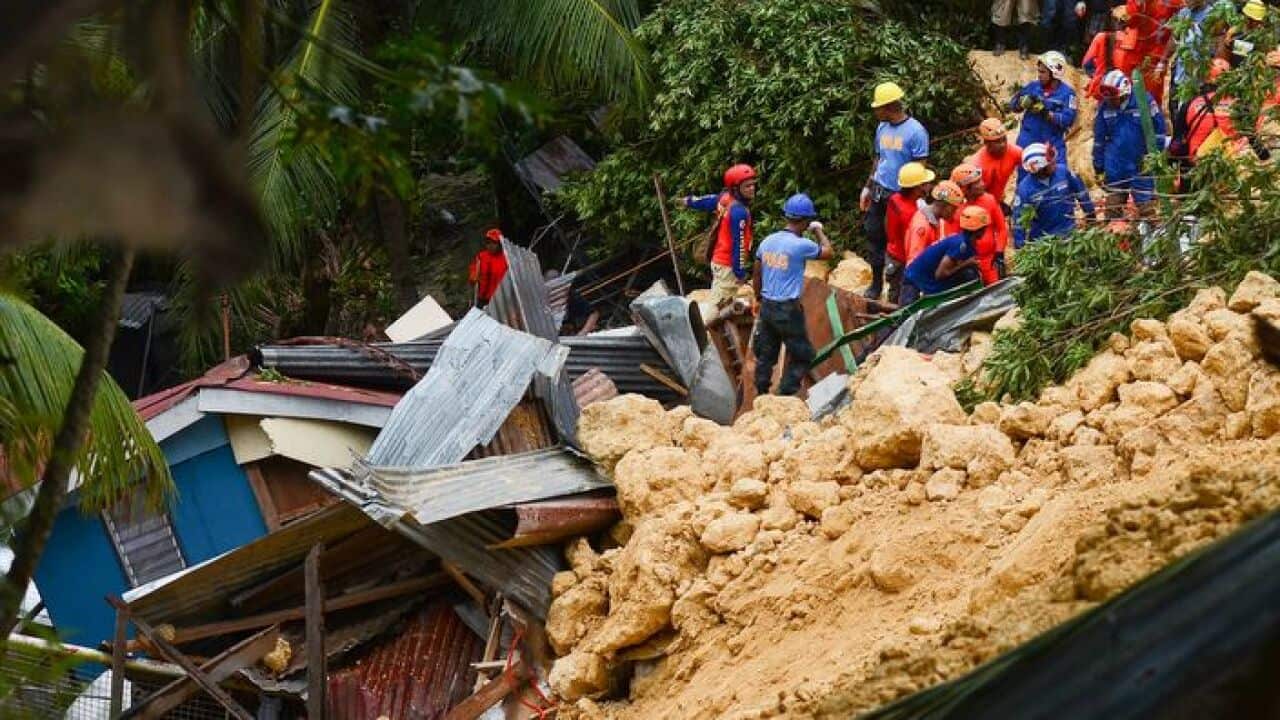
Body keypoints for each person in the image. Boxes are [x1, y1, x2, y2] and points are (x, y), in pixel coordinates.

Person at [751, 193, 834, 397]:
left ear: (787, 216)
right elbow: (829, 252)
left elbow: (757, 271)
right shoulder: (800, 245)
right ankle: (784, 394)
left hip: (767, 306)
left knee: (766, 355)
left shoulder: (768, 241)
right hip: (788, 308)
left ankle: (761, 394)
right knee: (804, 355)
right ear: (806, 221)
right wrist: (818, 231)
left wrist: (758, 297)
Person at [861, 82, 930, 301]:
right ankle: (875, 283)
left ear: (889, 106)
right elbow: (878, 159)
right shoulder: (882, 128)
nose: (875, 112)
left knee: (898, 243)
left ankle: (899, 290)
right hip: (879, 192)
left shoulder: (916, 132)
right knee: (873, 235)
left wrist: (917, 198)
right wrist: (867, 187)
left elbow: (921, 167)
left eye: (878, 107)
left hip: (901, 196)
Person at [1093, 69, 1167, 219]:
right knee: (1113, 210)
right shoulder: (1104, 107)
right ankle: (1113, 239)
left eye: (1114, 98)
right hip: (1115, 167)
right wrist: (1098, 167)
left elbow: (1159, 131)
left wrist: (1154, 157)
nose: (1111, 102)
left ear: (1124, 92)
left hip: (1141, 165)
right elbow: (1099, 140)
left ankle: (1152, 238)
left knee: (1148, 210)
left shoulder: (1144, 101)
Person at [682, 164, 757, 307]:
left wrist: (689, 201)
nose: (752, 189)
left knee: (722, 298)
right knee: (716, 308)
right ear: (736, 188)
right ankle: (700, 325)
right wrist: (740, 273)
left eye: (753, 185)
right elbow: (739, 245)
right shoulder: (739, 212)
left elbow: (706, 201)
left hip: (719, 260)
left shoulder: (725, 198)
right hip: (727, 265)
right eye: (747, 186)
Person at [1012, 143, 1097, 247]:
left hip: (1069, 233)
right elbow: (1019, 220)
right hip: (1043, 243)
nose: (1054, 163)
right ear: (1039, 169)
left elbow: (1081, 191)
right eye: (1050, 163)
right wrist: (1020, 245)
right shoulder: (1024, 190)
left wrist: (1090, 213)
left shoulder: (1063, 172)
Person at [1009, 52, 1079, 176]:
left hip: (1052, 143)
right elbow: (1013, 105)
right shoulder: (1032, 87)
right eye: (1039, 71)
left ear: (1054, 73)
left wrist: (1046, 113)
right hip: (1028, 141)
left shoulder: (1067, 94)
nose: (1039, 75)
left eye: (1043, 72)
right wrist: (1021, 103)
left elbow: (1068, 120)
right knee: (1025, 179)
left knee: (1059, 178)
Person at [903, 206, 991, 303]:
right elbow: (940, 274)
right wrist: (967, 264)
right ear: (980, 230)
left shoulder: (965, 242)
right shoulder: (960, 244)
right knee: (907, 314)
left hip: (923, 279)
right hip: (916, 280)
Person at [901, 180, 966, 304]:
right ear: (945, 206)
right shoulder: (922, 227)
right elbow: (914, 260)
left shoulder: (938, 222)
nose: (955, 213)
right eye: (954, 209)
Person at [941, 163, 1008, 283]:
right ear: (965, 188)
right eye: (977, 183)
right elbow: (953, 242)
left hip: (991, 260)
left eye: (980, 180)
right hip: (969, 263)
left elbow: (1001, 229)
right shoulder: (953, 210)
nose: (982, 184)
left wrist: (999, 252)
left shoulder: (989, 200)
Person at [886, 162, 936, 305]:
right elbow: (914, 244)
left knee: (895, 292)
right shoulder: (911, 214)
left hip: (892, 252)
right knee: (903, 298)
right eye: (926, 183)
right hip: (902, 259)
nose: (929, 185)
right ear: (918, 187)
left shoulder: (895, 199)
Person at [1082, 7, 1142, 100]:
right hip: (1127, 91)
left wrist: (1097, 77)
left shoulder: (1101, 37)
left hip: (1103, 90)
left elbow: (1086, 64)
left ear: (1114, 21)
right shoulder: (1137, 44)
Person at [966, 119, 1023, 206]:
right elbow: (971, 197)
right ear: (986, 143)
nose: (1003, 144)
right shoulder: (978, 166)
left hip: (997, 198)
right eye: (997, 142)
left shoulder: (1014, 152)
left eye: (1004, 139)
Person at [468, 228, 509, 307]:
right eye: (488, 243)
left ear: (500, 243)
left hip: (500, 299)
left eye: (494, 243)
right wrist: (473, 275)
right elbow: (473, 270)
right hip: (481, 298)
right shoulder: (481, 256)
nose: (490, 245)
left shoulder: (506, 259)